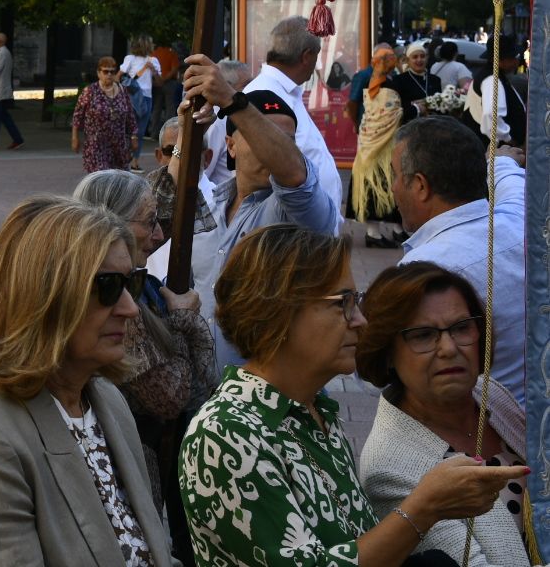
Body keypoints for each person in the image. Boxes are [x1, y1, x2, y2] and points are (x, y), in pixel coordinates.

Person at [180, 224, 524, 567]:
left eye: (355, 302)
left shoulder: (315, 410)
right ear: (280, 313)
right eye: (343, 303)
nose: (360, 320)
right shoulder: (225, 432)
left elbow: (354, 543)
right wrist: (424, 506)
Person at [0, 198, 174, 566]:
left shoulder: (105, 400)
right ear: (43, 295)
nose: (130, 308)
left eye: (132, 283)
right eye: (107, 286)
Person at [74, 169, 215, 563]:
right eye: (150, 222)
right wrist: (184, 321)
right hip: (120, 464)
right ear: (110, 221)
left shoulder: (138, 286)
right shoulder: (117, 302)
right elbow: (169, 397)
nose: (159, 235)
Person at [357, 263, 531, 566]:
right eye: (423, 335)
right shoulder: (389, 469)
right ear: (387, 353)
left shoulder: (489, 392)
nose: (449, 348)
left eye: (461, 327)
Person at [179, 53, 338, 368]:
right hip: (202, 398)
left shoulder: (297, 211)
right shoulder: (211, 200)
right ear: (232, 145)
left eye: (287, 140)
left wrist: (230, 100)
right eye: (262, 136)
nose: (276, 148)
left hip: (265, 403)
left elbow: (293, 175)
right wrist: (187, 133)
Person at [391, 116, 527, 408]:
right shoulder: (520, 220)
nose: (392, 189)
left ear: (420, 186)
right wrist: (499, 162)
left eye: (395, 176)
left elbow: (378, 369)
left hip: (469, 438)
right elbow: (510, 180)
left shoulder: (422, 269)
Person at [243, 15, 344, 219]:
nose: (317, 63)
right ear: (306, 56)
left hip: (310, 228)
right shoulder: (262, 94)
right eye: (317, 55)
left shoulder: (284, 92)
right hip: (290, 231)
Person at [141, 116, 220, 322]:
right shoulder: (144, 202)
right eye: (171, 151)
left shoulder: (222, 206)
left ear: (208, 157)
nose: (181, 158)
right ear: (159, 155)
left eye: (192, 148)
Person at [352, 46, 407, 247]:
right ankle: (373, 234)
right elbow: (386, 112)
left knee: (382, 184)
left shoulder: (382, 80)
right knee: (378, 185)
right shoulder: (380, 82)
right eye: (388, 58)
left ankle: (392, 230)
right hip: (379, 146)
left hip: (376, 145)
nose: (391, 61)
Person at [70, 57, 138, 173]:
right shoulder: (90, 92)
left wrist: (134, 136)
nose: (109, 75)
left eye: (112, 71)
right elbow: (77, 116)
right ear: (98, 73)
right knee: (101, 178)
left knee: (119, 179)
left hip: (118, 145)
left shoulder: (122, 90)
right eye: (106, 71)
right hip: (96, 145)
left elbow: (130, 115)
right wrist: (75, 137)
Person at [199, 58, 251, 200]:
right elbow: (203, 171)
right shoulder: (217, 119)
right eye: (247, 85)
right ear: (226, 87)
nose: (253, 88)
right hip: (219, 203)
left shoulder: (236, 115)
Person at [464, 35, 527, 148]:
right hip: (498, 148)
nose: (517, 60)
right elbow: (491, 114)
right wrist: (507, 138)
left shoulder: (494, 76)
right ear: (500, 60)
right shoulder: (491, 80)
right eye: (514, 57)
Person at [117, 36, 160, 164]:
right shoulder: (130, 59)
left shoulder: (153, 60)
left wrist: (153, 70)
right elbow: (118, 76)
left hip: (145, 97)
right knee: (130, 129)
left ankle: (134, 161)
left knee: (140, 130)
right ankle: (126, 158)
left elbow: (159, 82)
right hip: (133, 96)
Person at [149, 41, 181, 138]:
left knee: (156, 109)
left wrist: (160, 79)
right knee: (170, 109)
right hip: (169, 83)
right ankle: (168, 135)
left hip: (157, 83)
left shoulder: (154, 53)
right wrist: (165, 79)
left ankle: (153, 133)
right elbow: (174, 69)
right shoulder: (172, 53)